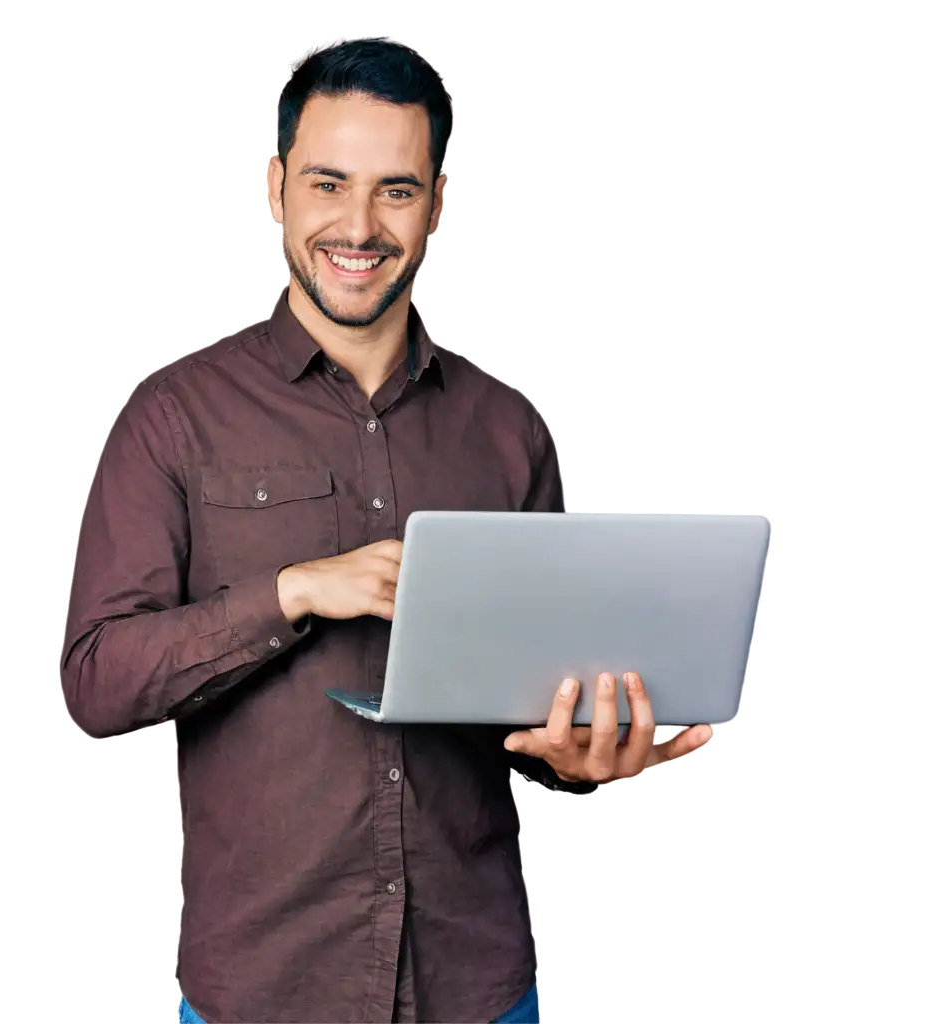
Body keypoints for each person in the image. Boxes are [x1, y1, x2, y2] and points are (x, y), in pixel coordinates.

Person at [58, 36, 714, 1024]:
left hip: (478, 982)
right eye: (328, 183)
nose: (358, 225)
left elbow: (522, 708)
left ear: (438, 203)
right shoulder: (170, 418)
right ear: (273, 187)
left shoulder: (507, 429)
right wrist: (294, 591)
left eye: (396, 191)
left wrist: (581, 758)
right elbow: (97, 681)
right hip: (261, 992)